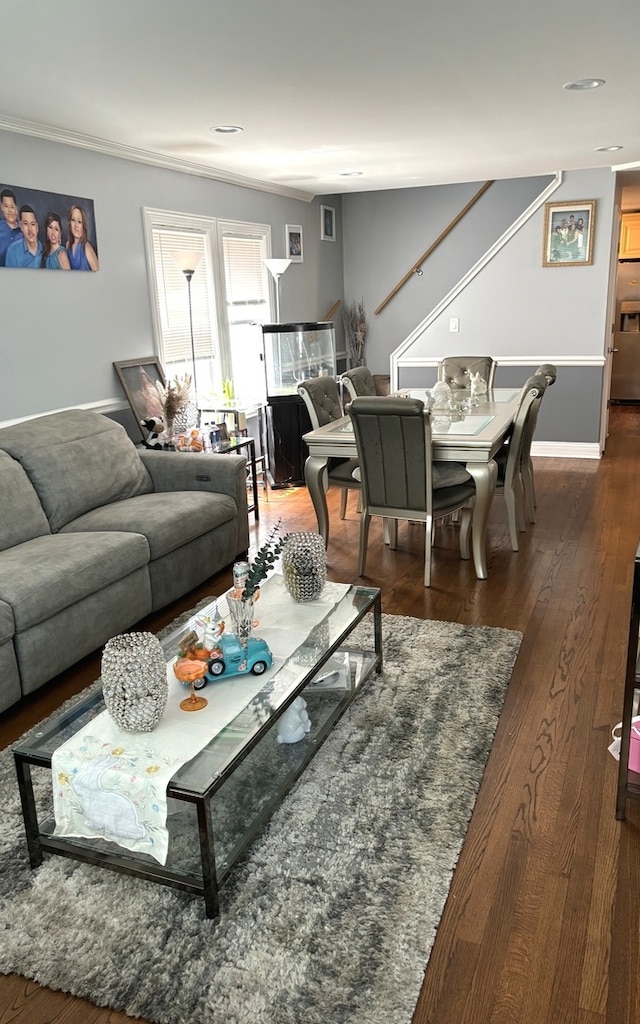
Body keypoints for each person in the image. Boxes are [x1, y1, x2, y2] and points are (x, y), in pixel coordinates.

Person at [66, 204, 99, 270]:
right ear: (70, 224)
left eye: (79, 221)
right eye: (73, 220)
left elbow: (99, 275)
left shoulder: (87, 248)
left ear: (83, 225)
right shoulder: (67, 245)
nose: (76, 225)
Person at [0, 188, 22, 266]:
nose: (9, 210)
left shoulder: (25, 231)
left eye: (12, 207)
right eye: (6, 206)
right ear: (1, 207)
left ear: (16, 208)